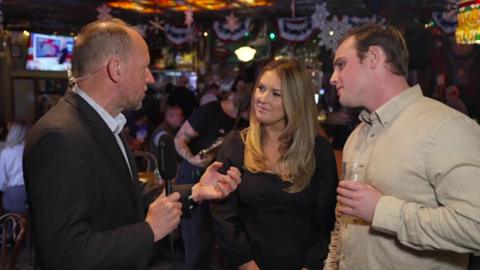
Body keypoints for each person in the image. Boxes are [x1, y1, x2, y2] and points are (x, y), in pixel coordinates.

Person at [23, 19, 241, 270]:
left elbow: (129, 200)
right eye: (145, 67)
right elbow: (65, 254)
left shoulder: (102, 122)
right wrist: (149, 231)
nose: (150, 78)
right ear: (116, 69)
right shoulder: (59, 136)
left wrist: (195, 191)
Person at [324, 24, 480, 270]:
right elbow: (344, 223)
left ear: (374, 57)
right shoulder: (357, 135)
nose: (333, 78)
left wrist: (380, 210)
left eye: (341, 64)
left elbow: (475, 226)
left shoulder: (446, 128)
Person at [210, 59, 338, 270]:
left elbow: (325, 220)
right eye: (261, 88)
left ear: (297, 102)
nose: (262, 98)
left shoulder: (319, 150)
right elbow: (223, 216)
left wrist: (309, 265)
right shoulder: (235, 145)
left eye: (276, 94)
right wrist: (248, 266)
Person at [174, 83, 252, 269]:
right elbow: (179, 139)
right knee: (198, 243)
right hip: (194, 179)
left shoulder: (244, 122)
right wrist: (193, 159)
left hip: (220, 185)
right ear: (245, 106)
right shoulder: (211, 111)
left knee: (215, 246)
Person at [0, 120, 31, 213]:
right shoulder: (35, 150)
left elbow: (2, 183)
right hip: (36, 193)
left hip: (16, 196)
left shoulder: (7, 152)